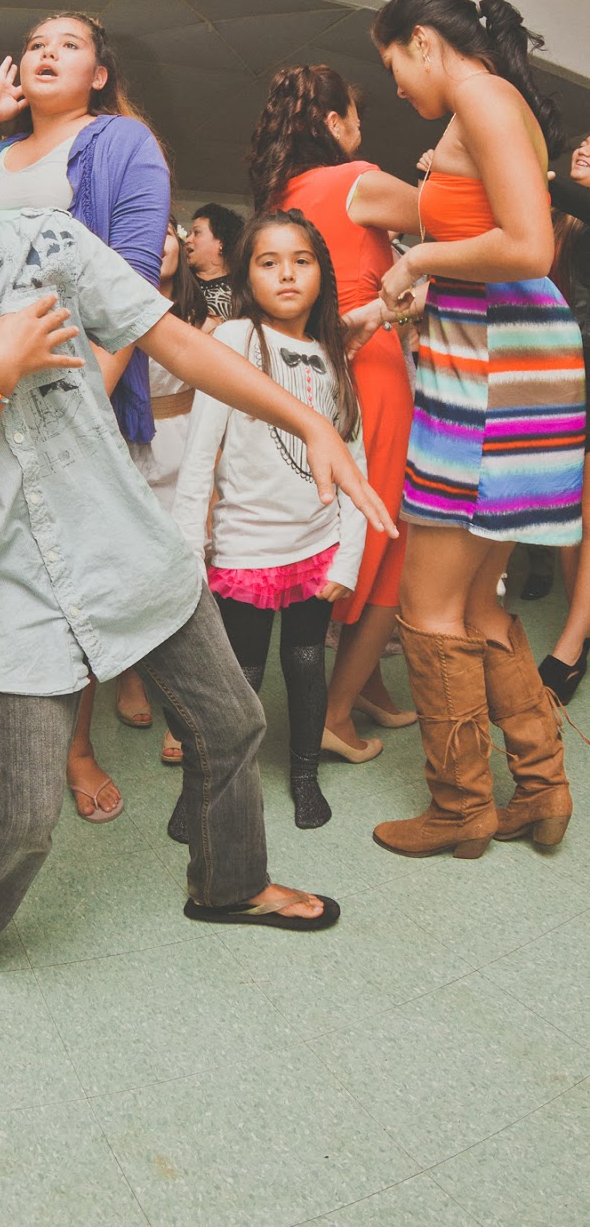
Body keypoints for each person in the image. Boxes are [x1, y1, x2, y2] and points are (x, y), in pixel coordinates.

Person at [0, 63, 396, 1025]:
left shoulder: (43, 240)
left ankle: (228, 885)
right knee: (24, 808)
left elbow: (175, 341)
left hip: (129, 552)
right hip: (8, 596)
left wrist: (308, 422)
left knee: (231, 726)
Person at [0, 12, 172, 822]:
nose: (46, 53)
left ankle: (74, 749)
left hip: (63, 390)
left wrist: (85, 401)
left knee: (68, 576)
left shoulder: (119, 142)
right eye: (36, 44)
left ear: (99, 74)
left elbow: (130, 283)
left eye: (69, 44)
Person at [368, 0, 580, 857]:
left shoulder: (482, 97)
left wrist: (415, 255)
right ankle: (540, 788)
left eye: (392, 64)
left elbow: (528, 246)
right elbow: (498, 251)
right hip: (513, 366)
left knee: (427, 605)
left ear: (422, 41)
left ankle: (459, 810)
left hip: (492, 379)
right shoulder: (491, 104)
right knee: (475, 601)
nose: (394, 87)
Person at [172, 210, 367, 830]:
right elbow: (199, 455)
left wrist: (348, 557)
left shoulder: (332, 354)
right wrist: (189, 550)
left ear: (321, 273)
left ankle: (304, 776)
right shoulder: (233, 341)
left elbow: (354, 461)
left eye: (301, 261)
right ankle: (204, 787)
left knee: (307, 664)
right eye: (269, 262)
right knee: (240, 677)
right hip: (246, 550)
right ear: (246, 274)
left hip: (318, 548)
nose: (286, 274)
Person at [248, 65, 419, 761]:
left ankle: (365, 684)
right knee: (384, 540)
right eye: (354, 114)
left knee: (337, 525)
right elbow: (458, 220)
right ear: (331, 121)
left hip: (309, 375)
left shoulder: (277, 195)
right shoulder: (357, 179)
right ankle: (335, 714)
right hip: (368, 366)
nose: (360, 128)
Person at [116, 218, 217, 747]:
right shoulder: (110, 309)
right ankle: (131, 675)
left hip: (185, 443)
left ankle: (184, 700)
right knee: (132, 564)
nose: (157, 242)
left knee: (187, 565)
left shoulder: (207, 318)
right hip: (126, 442)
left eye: (168, 231)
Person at [535, 132, 590, 700]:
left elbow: (544, 182)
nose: (586, 146)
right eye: (584, 140)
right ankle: (583, 623)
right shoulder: (556, 223)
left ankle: (571, 645)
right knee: (567, 508)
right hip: (557, 367)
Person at [186, 202, 242, 319]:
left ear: (221, 241)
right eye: (190, 234)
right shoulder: (181, 282)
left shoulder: (243, 288)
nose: (188, 239)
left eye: (197, 233)